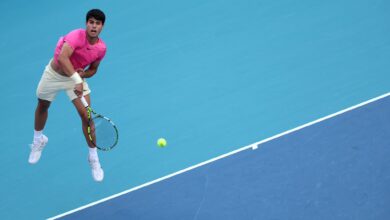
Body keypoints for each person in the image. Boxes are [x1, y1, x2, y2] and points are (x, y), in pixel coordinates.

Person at [29, 9, 107, 182]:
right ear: (86, 23)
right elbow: (64, 58)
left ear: (102, 27)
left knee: (87, 117)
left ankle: (93, 157)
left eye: (97, 23)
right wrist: (76, 79)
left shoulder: (101, 48)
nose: (94, 26)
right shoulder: (75, 36)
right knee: (43, 105)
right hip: (54, 74)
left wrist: (82, 75)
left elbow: (93, 69)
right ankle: (38, 140)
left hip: (75, 78)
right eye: (91, 22)